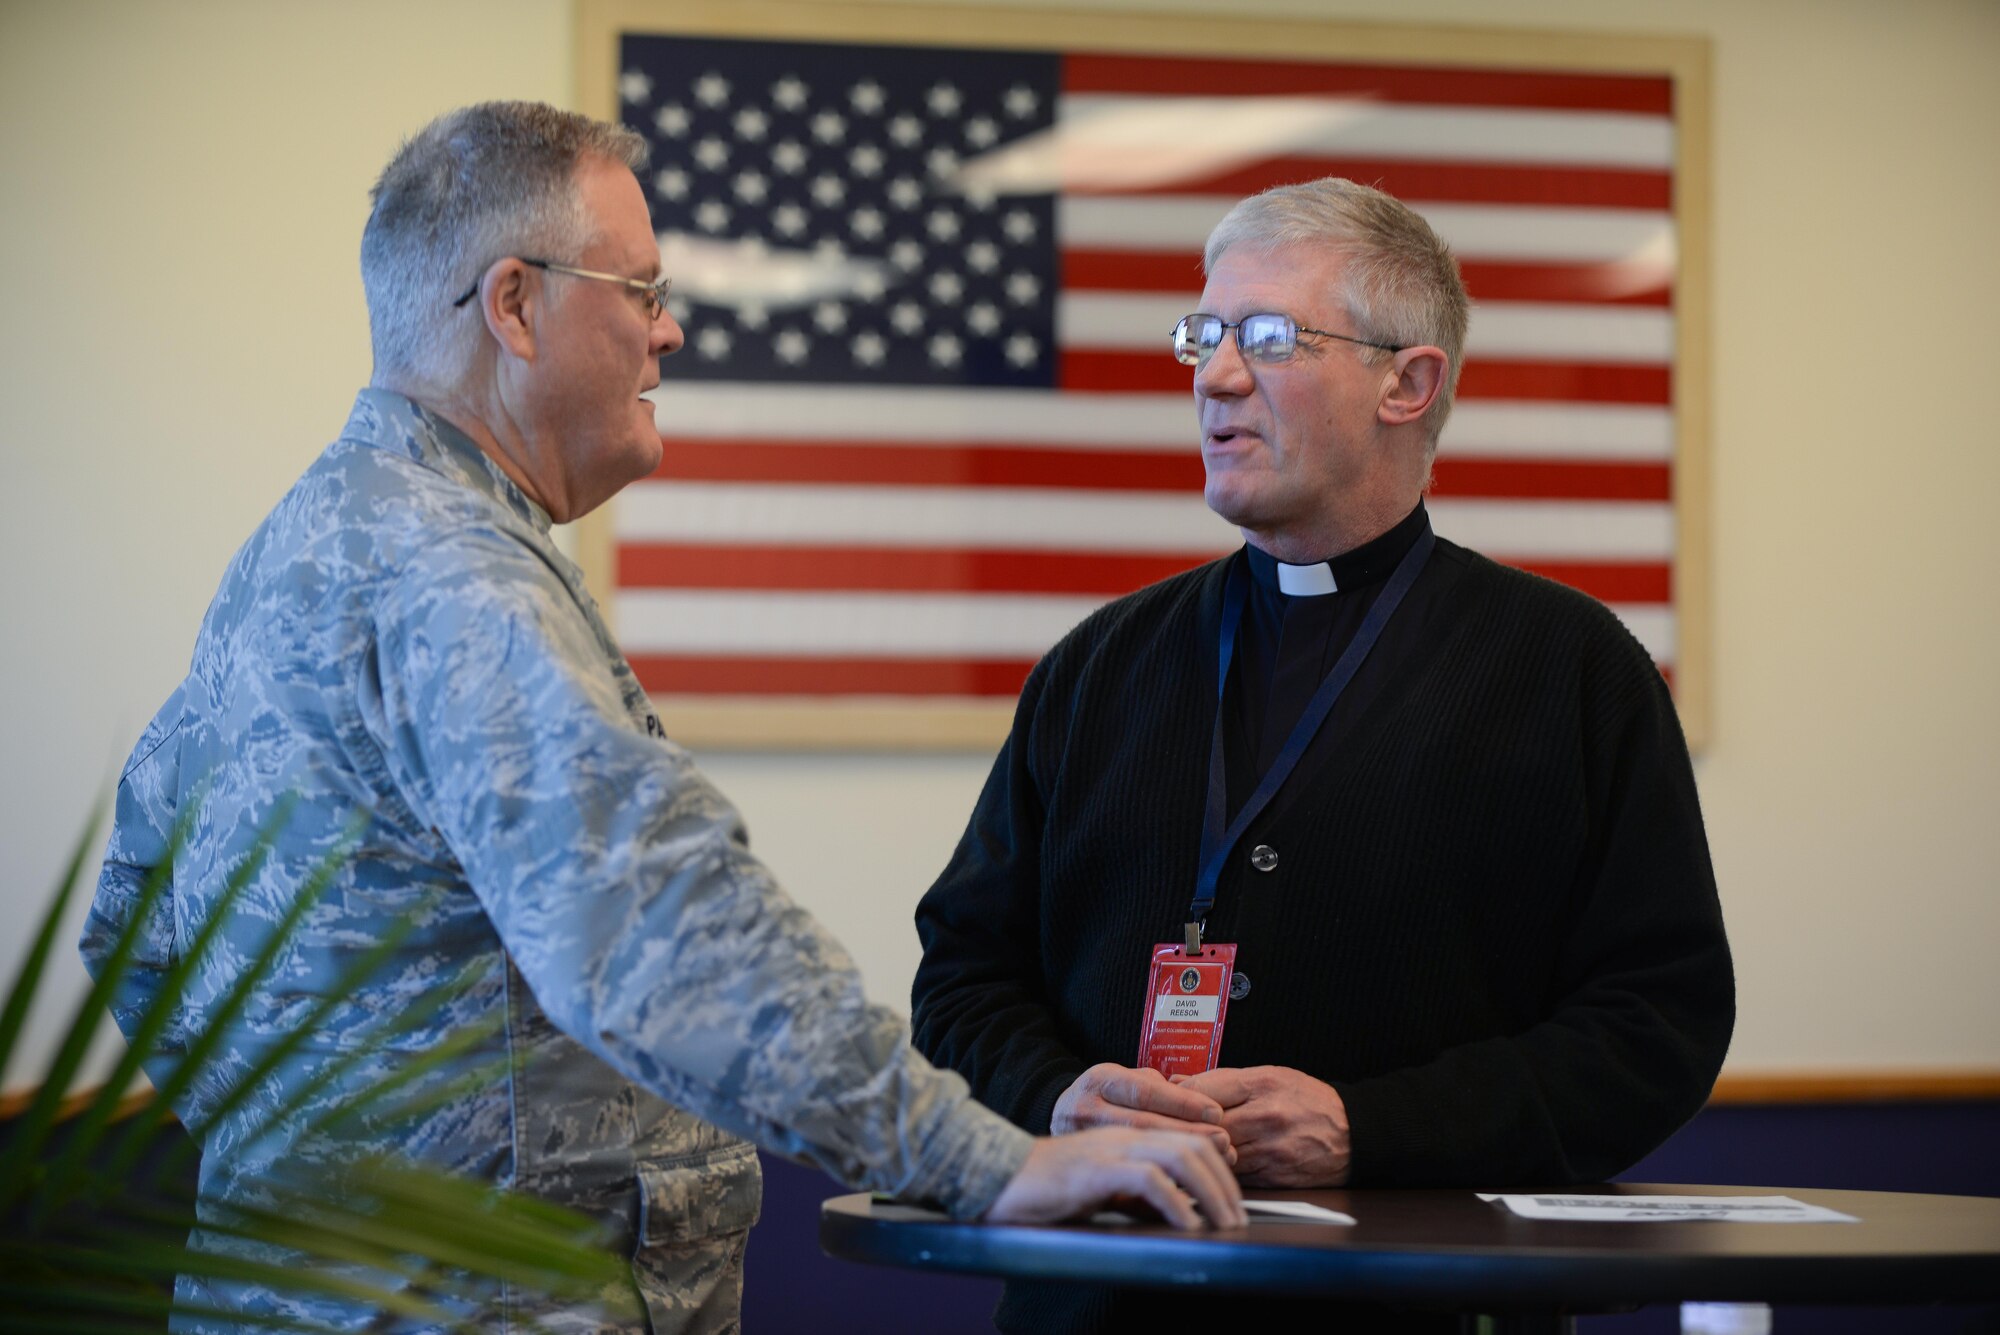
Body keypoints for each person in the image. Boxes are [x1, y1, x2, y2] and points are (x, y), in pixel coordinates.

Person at [79, 101, 1243, 1335]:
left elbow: (134, 931)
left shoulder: (306, 549)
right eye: (638, 288)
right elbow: (662, 933)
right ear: (515, 306)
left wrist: (321, 1171)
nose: (668, 328)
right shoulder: (454, 579)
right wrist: (989, 1164)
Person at [911, 177, 1734, 1332]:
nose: (1214, 376)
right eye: (1203, 336)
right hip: (1102, 1301)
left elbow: (1655, 1026)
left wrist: (1371, 1127)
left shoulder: (1569, 670)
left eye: (1267, 338)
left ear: (1408, 382)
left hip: (1419, 1305)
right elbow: (961, 978)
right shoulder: (1096, 665)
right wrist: (1057, 1099)